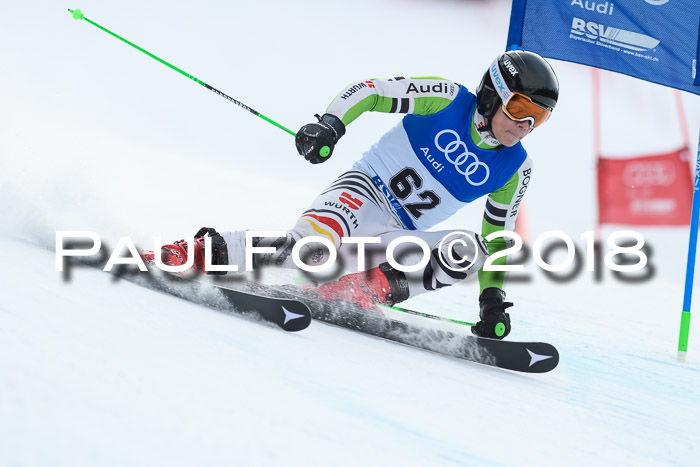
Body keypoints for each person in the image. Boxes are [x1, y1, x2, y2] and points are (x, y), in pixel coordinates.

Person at [147, 50, 559, 340]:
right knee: (311, 250)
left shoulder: (516, 167)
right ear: (494, 93)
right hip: (363, 193)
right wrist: (330, 124)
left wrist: (491, 298)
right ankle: (204, 251)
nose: (525, 124)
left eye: (538, 116)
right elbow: (371, 90)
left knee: (473, 249)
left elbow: (500, 237)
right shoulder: (447, 98)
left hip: (398, 235)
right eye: (521, 107)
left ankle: (356, 290)